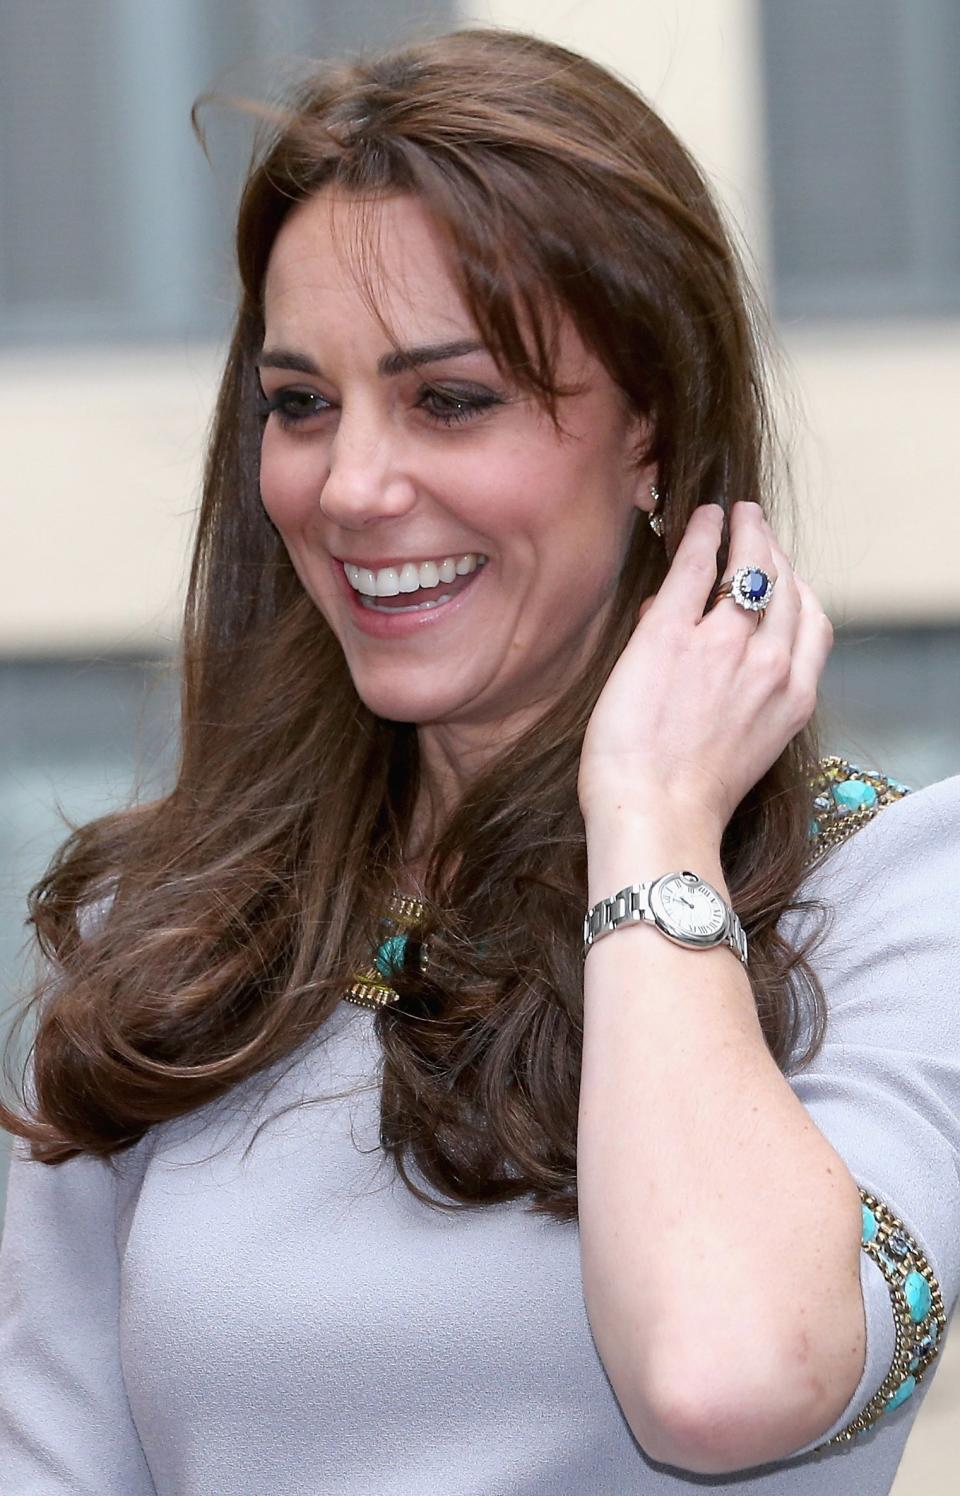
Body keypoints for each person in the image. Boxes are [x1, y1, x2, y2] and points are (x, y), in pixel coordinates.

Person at [0, 25, 957, 1495]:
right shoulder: (169, 947)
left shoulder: (895, 901)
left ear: (654, 432)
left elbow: (727, 1379)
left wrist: (648, 820)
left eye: (451, 399)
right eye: (302, 403)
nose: (352, 487)